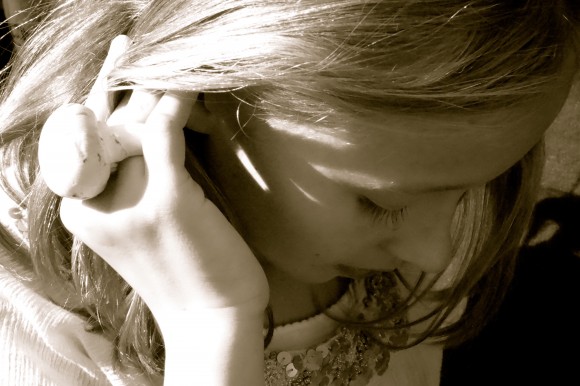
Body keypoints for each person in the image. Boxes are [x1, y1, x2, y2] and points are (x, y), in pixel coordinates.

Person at [0, 1, 578, 385]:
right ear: (200, 94)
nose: (438, 256)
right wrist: (209, 326)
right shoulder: (27, 325)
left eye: (479, 186)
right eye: (384, 204)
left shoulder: (420, 217)